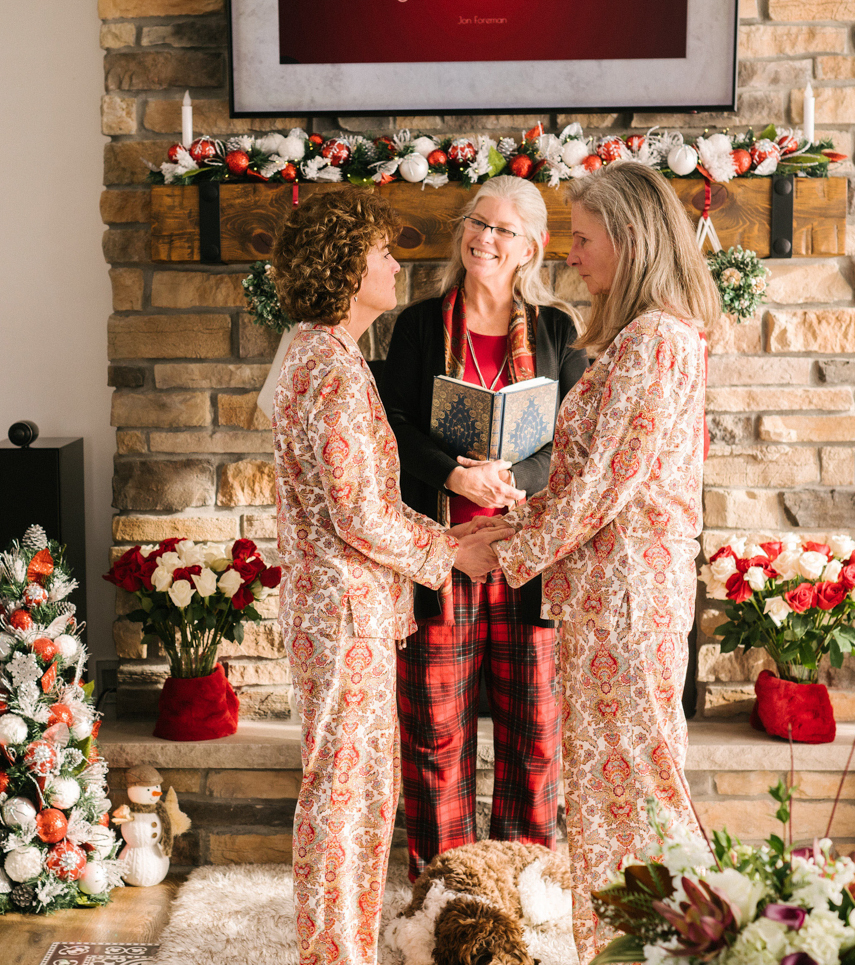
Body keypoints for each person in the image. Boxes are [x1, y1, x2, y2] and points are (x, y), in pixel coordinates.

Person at [478, 162, 716, 958]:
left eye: (582, 239)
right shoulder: (643, 337)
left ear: (629, 237)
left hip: (626, 601)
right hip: (603, 601)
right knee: (608, 794)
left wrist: (505, 554)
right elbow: (585, 483)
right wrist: (516, 526)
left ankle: (690, 945)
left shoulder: (655, 341)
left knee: (640, 792)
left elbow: (600, 491)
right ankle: (623, 946)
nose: (571, 256)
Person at [271, 189, 508, 965]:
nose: (395, 264)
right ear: (345, 270)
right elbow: (359, 515)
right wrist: (451, 552)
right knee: (347, 799)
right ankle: (334, 953)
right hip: (346, 616)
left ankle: (338, 947)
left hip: (342, 611)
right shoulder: (332, 371)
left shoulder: (317, 354)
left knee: (354, 794)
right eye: (380, 253)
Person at [381, 175, 588, 881]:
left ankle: (521, 889)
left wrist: (516, 478)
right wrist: (455, 475)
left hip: (525, 563)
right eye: (478, 222)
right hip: (444, 560)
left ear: (531, 247)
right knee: (437, 738)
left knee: (534, 739)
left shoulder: (558, 331)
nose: (485, 238)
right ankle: (444, 892)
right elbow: (391, 430)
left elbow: (574, 442)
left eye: (503, 230)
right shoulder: (417, 325)